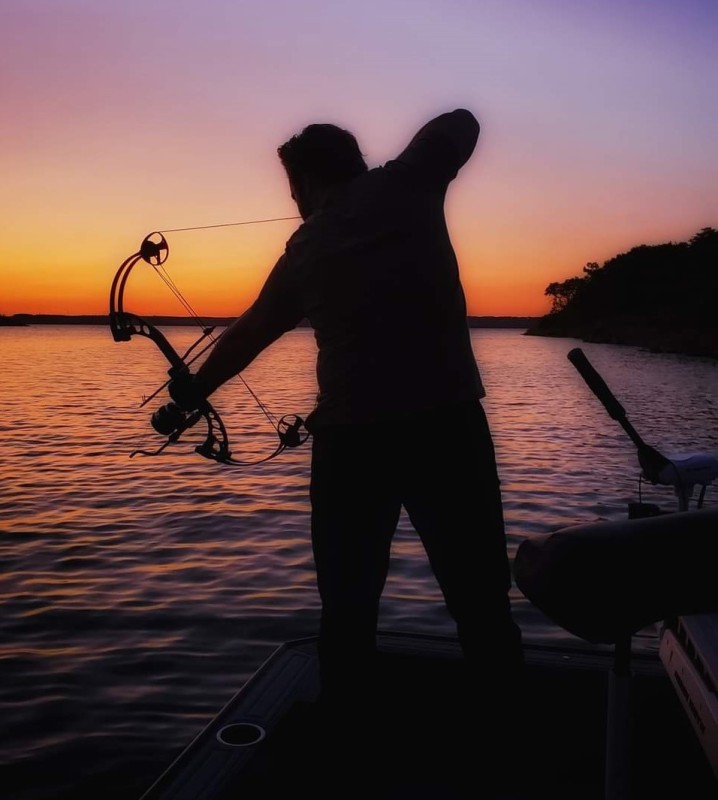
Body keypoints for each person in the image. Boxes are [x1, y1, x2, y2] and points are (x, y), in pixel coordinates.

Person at [167, 108, 524, 713]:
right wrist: (399, 172)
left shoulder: (306, 249)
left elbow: (248, 334)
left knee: (349, 599)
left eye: (292, 187)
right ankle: (506, 722)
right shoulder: (407, 186)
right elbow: (460, 121)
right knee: (479, 594)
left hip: (355, 446)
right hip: (447, 427)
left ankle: (347, 725)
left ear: (302, 182)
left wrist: (192, 393)